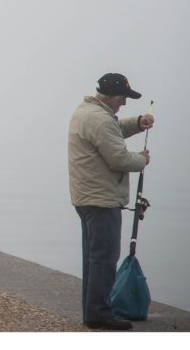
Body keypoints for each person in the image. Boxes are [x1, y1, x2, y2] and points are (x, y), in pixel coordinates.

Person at [68, 72, 154, 331]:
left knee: (94, 258)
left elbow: (112, 131)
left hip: (87, 197)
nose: (124, 102)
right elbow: (118, 158)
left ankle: (92, 311)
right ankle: (99, 314)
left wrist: (138, 123)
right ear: (109, 95)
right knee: (104, 259)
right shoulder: (99, 120)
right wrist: (142, 160)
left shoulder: (90, 113)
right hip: (101, 200)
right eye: (123, 97)